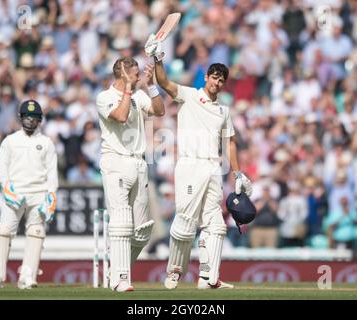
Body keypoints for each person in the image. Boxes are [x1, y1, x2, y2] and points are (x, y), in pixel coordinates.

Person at [147, 38, 253, 289]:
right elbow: (163, 82)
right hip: (189, 165)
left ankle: (208, 278)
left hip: (213, 169)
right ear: (206, 77)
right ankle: (174, 271)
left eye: (221, 80)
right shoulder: (190, 95)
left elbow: (230, 142)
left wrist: (237, 173)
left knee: (215, 225)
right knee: (185, 221)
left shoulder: (223, 111)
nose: (217, 82)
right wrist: (157, 58)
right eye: (214, 77)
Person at [96, 57, 165, 292]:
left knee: (142, 230)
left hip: (139, 163)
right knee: (122, 223)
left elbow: (160, 110)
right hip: (115, 162)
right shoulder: (104, 97)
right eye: (135, 75)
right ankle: (120, 279)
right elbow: (121, 116)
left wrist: (150, 85)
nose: (138, 77)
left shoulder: (138, 95)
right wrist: (127, 88)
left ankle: (115, 270)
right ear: (123, 75)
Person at [0, 100, 58, 289]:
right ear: (20, 117)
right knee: (2, 231)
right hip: (15, 193)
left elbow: (52, 174)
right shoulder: (10, 141)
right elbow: (3, 171)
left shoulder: (46, 143)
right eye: (27, 117)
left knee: (36, 232)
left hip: (38, 193)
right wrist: (8, 191)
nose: (30, 121)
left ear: (40, 121)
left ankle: (27, 276)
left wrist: (51, 197)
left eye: (34, 118)